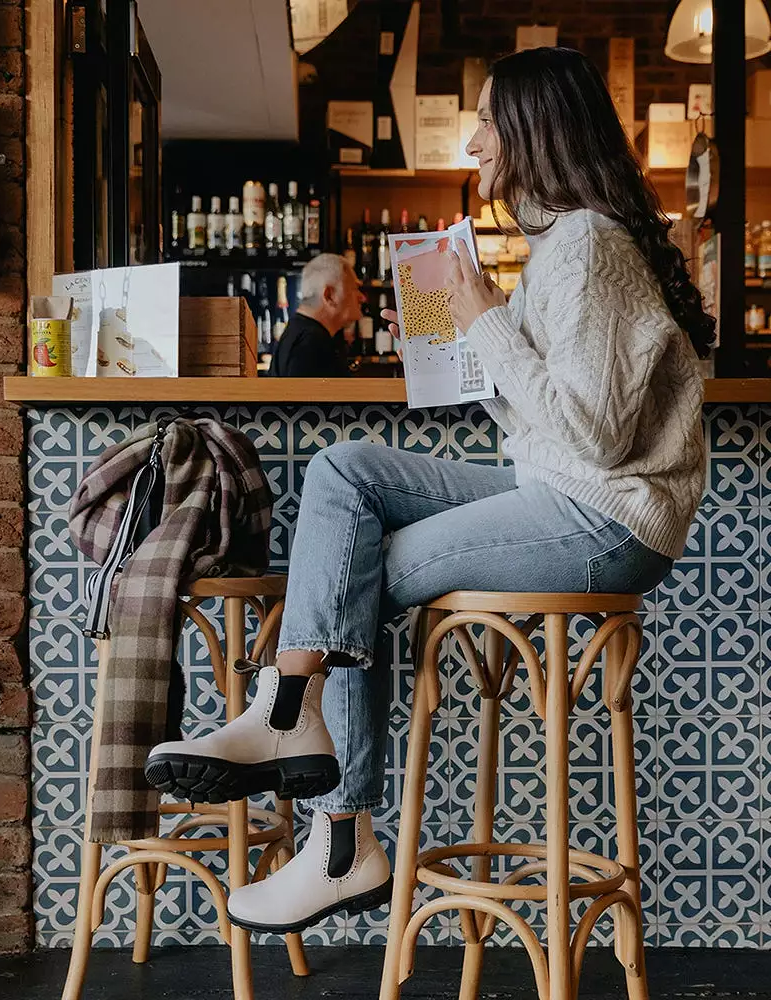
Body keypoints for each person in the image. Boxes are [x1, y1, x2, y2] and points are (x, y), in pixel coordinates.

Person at [145, 47, 713, 934]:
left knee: (355, 570)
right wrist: (458, 334)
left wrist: (484, 310)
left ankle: (335, 828)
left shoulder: (591, 248)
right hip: (562, 491)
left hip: (606, 516)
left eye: (488, 120)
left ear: (534, 130)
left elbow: (595, 436)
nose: (476, 141)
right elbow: (540, 416)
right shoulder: (564, 248)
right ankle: (290, 718)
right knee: (346, 471)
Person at [268, 254, 364, 377]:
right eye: (355, 288)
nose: (362, 297)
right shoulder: (311, 343)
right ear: (329, 295)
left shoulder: (300, 333)